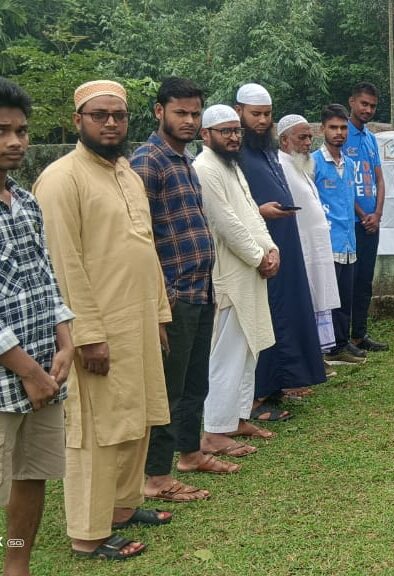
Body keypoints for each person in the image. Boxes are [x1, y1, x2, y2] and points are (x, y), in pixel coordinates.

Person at [34, 80, 172, 560]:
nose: (111, 123)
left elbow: (146, 247)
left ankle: (121, 508)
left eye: (119, 115)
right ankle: (87, 534)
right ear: (78, 121)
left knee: (138, 418)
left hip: (138, 322)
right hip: (97, 330)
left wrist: (158, 315)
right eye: (99, 115)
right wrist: (86, 335)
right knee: (95, 431)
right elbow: (63, 264)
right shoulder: (61, 179)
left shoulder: (128, 173)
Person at [131, 78, 235, 504]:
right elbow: (139, 236)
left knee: (195, 383)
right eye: (181, 113)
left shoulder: (184, 159)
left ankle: (190, 455)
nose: (189, 120)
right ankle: (156, 476)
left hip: (200, 289)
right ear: (159, 111)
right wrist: (161, 297)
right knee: (168, 391)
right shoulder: (148, 161)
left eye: (195, 113)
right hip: (172, 295)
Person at [0, 77, 76, 574]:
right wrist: (29, 371)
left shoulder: (26, 202)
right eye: (2, 131)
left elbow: (46, 278)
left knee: (32, 475)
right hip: (14, 378)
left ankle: (16, 563)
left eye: (21, 131)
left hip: (45, 373)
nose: (15, 141)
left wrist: (65, 342)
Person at [234, 83, 325, 420]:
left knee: (286, 312)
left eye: (267, 114)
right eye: (255, 114)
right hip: (254, 251)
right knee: (263, 316)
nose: (262, 120)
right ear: (239, 112)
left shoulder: (267, 150)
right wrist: (260, 211)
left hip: (283, 242)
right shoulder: (233, 153)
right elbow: (226, 207)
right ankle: (255, 397)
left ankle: (281, 382)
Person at [193, 104, 278, 456]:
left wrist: (271, 248)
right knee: (226, 354)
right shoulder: (204, 168)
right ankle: (215, 430)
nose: (233, 137)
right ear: (205, 135)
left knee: (247, 347)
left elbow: (251, 213)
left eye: (235, 130)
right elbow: (226, 223)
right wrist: (259, 257)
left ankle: (238, 417)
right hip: (229, 273)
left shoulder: (231, 165)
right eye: (225, 131)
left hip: (251, 269)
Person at [276, 113, 345, 387]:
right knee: (306, 303)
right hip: (302, 250)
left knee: (320, 301)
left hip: (317, 247)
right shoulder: (280, 166)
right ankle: (307, 361)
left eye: (309, 137)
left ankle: (318, 356)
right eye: (301, 137)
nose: (308, 143)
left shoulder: (301, 165)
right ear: (284, 140)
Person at [315, 104, 368, 365]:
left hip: (348, 242)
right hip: (326, 243)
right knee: (327, 300)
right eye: (333, 128)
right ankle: (328, 348)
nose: (339, 133)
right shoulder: (313, 163)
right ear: (322, 129)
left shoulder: (349, 164)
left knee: (345, 296)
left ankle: (342, 342)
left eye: (343, 128)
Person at [344, 82, 389, 353]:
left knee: (364, 282)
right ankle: (342, 338)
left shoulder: (371, 139)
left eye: (372, 106)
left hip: (372, 223)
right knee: (347, 281)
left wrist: (377, 214)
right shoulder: (341, 135)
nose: (368, 110)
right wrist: (362, 215)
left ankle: (360, 335)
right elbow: (341, 183)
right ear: (352, 102)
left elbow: (379, 179)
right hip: (350, 223)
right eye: (364, 104)